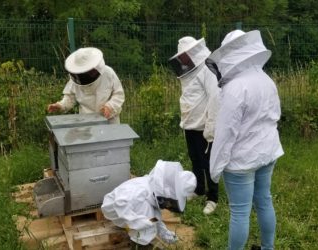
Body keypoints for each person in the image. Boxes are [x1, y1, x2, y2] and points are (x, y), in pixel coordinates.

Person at [206, 30, 284, 250]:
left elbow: (225, 133)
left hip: (241, 161)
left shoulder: (235, 88)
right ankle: (268, 247)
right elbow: (274, 116)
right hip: (267, 153)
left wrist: (215, 168)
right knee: (264, 200)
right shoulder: (266, 80)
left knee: (240, 212)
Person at [168, 36, 220, 215]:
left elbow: (215, 97)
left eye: (185, 55)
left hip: (204, 126)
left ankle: (213, 197)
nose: (182, 59)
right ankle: (198, 189)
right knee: (195, 158)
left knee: (208, 163)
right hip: (190, 124)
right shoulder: (187, 72)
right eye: (180, 56)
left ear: (193, 53)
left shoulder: (207, 69)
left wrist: (211, 126)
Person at [101, 160, 196, 248]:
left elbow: (155, 217)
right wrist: (142, 222)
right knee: (147, 223)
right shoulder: (141, 193)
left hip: (126, 211)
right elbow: (120, 203)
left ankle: (140, 233)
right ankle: (140, 245)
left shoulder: (151, 190)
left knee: (150, 216)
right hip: (115, 211)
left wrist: (164, 233)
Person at [47, 47, 125, 124]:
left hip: (109, 119)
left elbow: (119, 94)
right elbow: (70, 98)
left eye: (87, 71)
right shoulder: (76, 77)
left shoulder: (108, 73)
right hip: (86, 120)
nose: (84, 75)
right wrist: (60, 105)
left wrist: (110, 106)